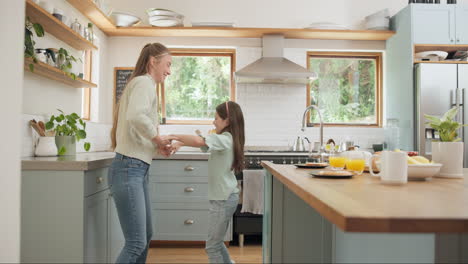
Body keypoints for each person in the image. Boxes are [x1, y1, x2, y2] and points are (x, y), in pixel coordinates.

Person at [108, 43, 172, 264]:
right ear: (153, 61)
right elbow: (135, 117)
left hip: (136, 168)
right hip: (129, 169)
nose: (169, 70)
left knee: (144, 237)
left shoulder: (141, 84)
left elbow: (136, 128)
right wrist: (156, 138)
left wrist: (158, 145)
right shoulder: (144, 82)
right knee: (136, 242)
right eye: (167, 64)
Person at [164, 101, 245, 264]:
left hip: (223, 199)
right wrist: (180, 143)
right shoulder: (226, 139)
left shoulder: (225, 139)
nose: (214, 122)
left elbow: (201, 141)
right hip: (225, 197)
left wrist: (174, 136)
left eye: (216, 118)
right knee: (216, 243)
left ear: (227, 121)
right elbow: (203, 144)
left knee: (212, 246)